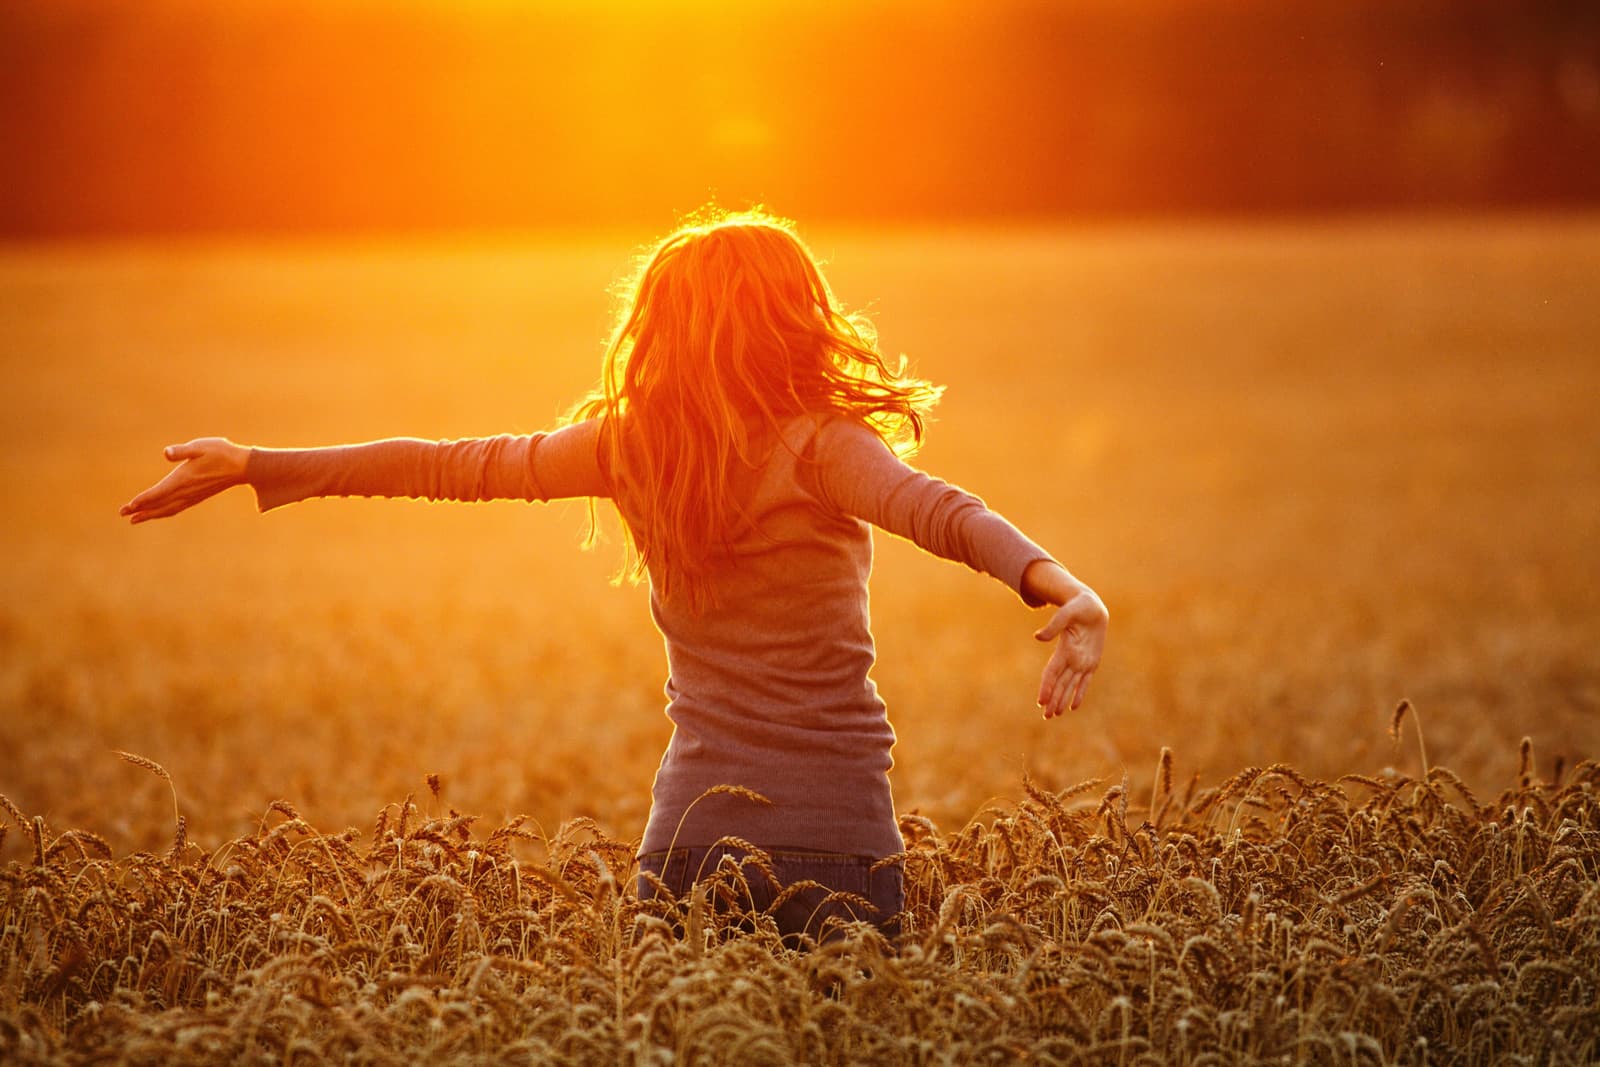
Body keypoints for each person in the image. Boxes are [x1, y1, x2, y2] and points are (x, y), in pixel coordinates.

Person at [119, 208, 1108, 945]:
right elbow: (944, 512)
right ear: (795, 318)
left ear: (663, 329)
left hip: (681, 844)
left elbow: (447, 463)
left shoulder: (634, 448)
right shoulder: (822, 448)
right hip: (837, 842)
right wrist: (1063, 587)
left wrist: (254, 461)